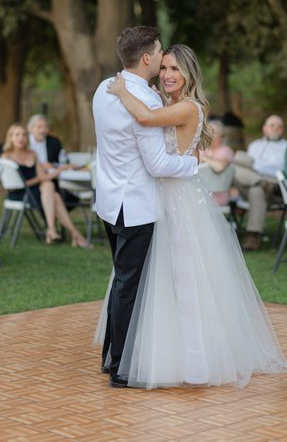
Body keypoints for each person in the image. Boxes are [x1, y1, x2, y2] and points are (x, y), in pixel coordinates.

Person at [97, 43, 287, 390]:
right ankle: (145, 351)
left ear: (190, 74)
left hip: (178, 204)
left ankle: (192, 359)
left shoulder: (188, 107)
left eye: (176, 69)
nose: (169, 75)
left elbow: (144, 119)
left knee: (183, 280)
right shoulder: (169, 102)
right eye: (165, 67)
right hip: (160, 200)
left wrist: (123, 90)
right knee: (155, 282)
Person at [92, 27, 198, 388]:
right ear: (148, 58)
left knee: (120, 282)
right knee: (128, 286)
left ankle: (111, 356)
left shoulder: (104, 89)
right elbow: (157, 165)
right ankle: (122, 367)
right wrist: (192, 165)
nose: (164, 61)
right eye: (159, 53)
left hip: (109, 202)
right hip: (137, 206)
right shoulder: (148, 103)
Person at [1, 123, 90, 247]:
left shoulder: (32, 154)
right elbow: (19, 184)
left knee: (49, 187)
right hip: (20, 193)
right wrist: (40, 179)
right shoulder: (6, 156)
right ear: (10, 137)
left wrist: (60, 169)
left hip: (37, 192)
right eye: (17, 135)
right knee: (51, 191)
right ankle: (73, 234)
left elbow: (42, 176)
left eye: (23, 135)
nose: (21, 138)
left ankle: (54, 230)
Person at [233, 115, 287, 250]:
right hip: (254, 180)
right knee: (233, 166)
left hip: (275, 186)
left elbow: (282, 170)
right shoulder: (254, 145)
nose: (275, 129)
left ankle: (253, 235)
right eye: (271, 125)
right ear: (265, 129)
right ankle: (261, 183)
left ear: (282, 130)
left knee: (255, 190)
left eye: (279, 126)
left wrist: (258, 167)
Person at [27, 114, 80, 210]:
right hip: (32, 180)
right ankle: (58, 224)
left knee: (57, 194)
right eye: (39, 127)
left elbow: (63, 161)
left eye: (45, 127)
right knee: (53, 193)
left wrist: (52, 166)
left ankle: (52, 224)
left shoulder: (54, 142)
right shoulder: (23, 141)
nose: (43, 130)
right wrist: (41, 166)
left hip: (52, 179)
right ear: (30, 129)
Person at [199, 119, 234, 206]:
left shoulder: (225, 151)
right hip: (199, 192)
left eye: (213, 132)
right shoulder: (201, 150)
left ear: (221, 136)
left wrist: (205, 159)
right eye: (208, 132)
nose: (210, 135)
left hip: (217, 195)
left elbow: (220, 167)